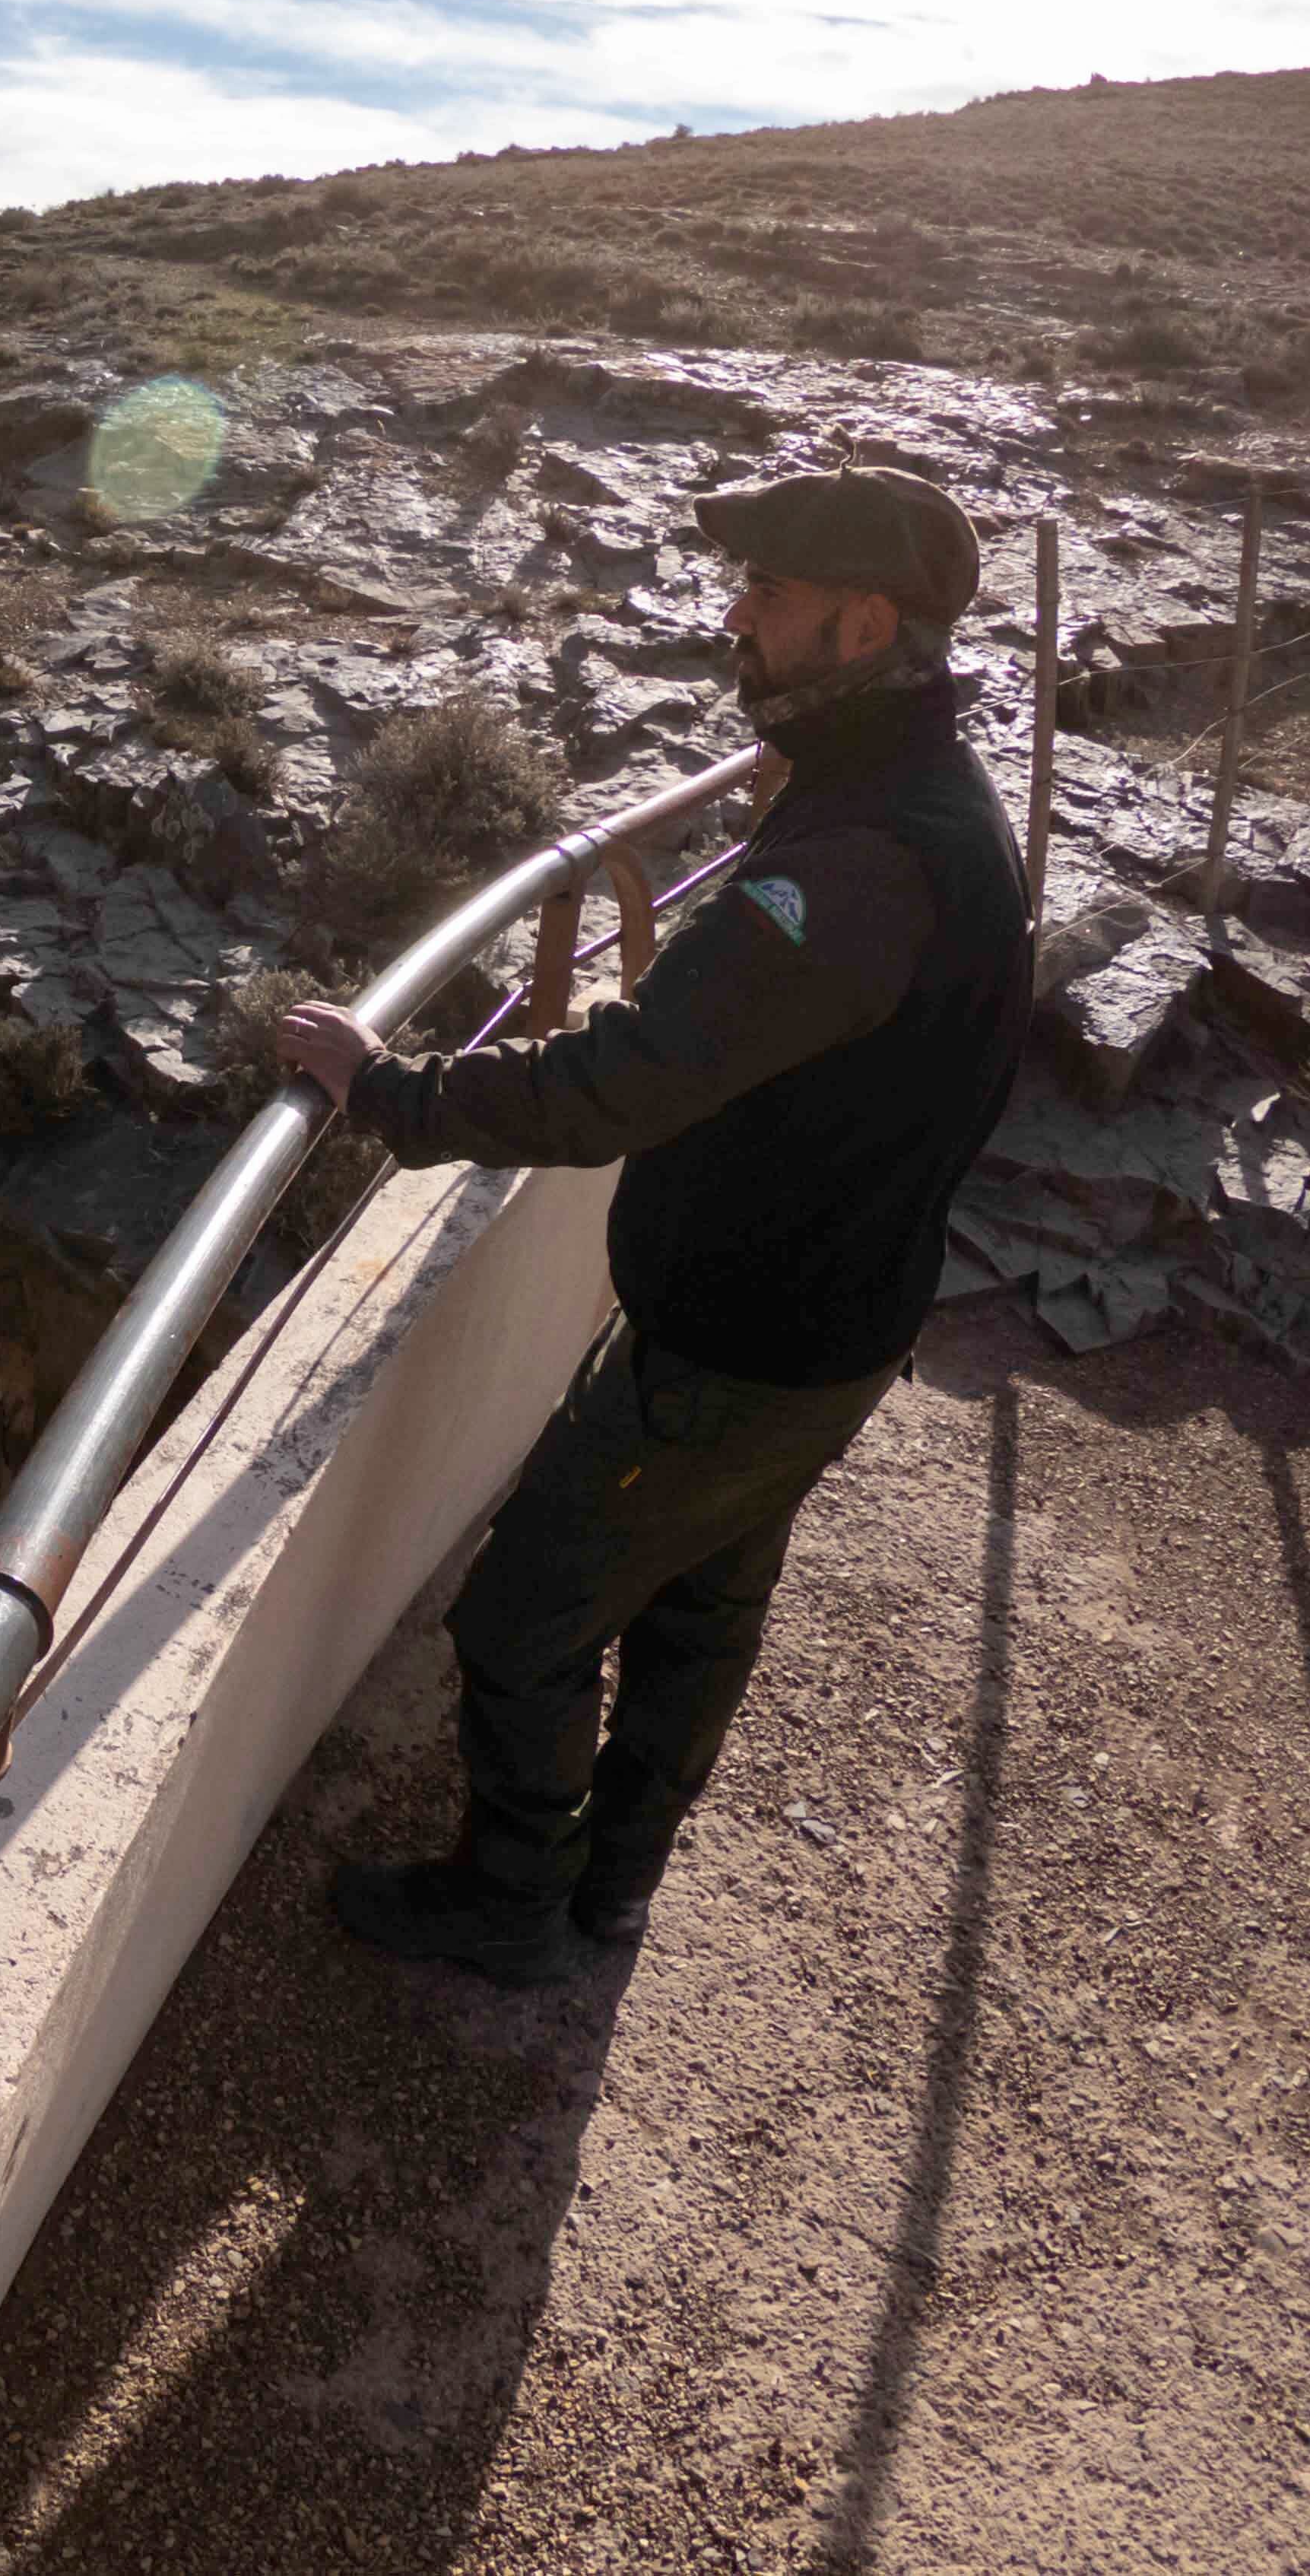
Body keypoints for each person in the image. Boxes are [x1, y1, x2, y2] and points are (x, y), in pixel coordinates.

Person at [272, 465, 1033, 1986]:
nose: (731, 614)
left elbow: (625, 1080)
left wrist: (395, 1095)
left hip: (737, 1338)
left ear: (861, 619)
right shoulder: (903, 801)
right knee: (699, 1598)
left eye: (765, 591)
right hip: (827, 1319)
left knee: (517, 1621)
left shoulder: (859, 862)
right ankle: (612, 1885)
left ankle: (510, 1902)